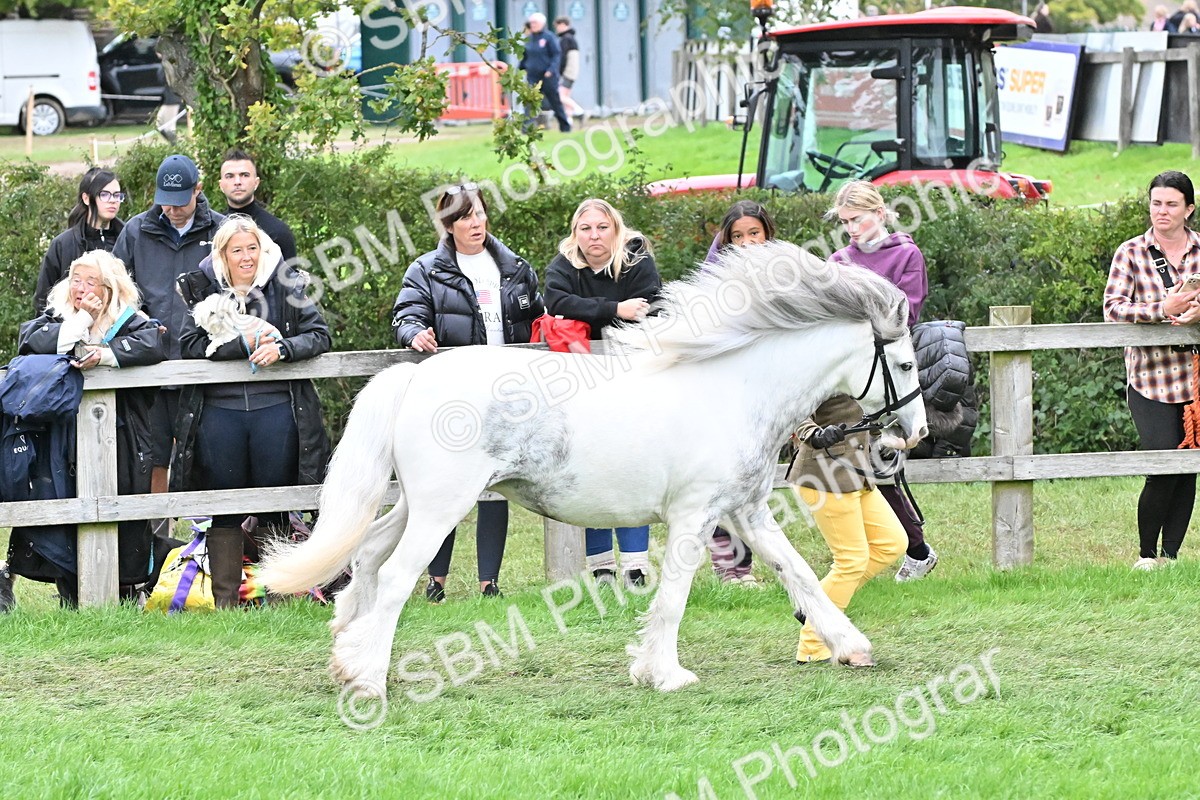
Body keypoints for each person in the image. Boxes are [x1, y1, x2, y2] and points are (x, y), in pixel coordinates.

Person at [392, 183, 545, 601]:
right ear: (448, 224)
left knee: (496, 485)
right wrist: (414, 333)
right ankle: (436, 579)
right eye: (463, 217)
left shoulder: (515, 267)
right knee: (443, 485)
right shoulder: (426, 269)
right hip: (455, 392)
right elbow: (406, 313)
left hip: (509, 390)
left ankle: (488, 581)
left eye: (478, 213)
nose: (474, 223)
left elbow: (539, 318)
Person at [175, 215, 331, 608]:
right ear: (222, 257)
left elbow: (319, 334)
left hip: (276, 408)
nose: (246, 257)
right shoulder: (200, 290)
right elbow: (189, 345)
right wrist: (240, 344)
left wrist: (283, 349)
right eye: (236, 251)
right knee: (225, 509)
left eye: (252, 249)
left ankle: (276, 597)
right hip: (220, 413)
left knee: (276, 505)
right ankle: (227, 603)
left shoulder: (287, 286)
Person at [10, 250, 166, 607]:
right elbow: (30, 341)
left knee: (123, 509)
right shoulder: (58, 317)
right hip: (63, 438)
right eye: (76, 279)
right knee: (63, 508)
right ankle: (70, 594)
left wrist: (106, 354)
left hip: (123, 437)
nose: (80, 287)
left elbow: (154, 344)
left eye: (90, 281)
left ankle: (126, 596)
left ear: (109, 287)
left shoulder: (131, 321)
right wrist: (81, 320)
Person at [545, 198, 661, 585]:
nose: (593, 236)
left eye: (601, 227)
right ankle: (601, 569)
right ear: (575, 233)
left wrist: (591, 311)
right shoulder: (565, 263)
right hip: (581, 383)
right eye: (585, 228)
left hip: (633, 379)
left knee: (632, 467)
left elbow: (650, 305)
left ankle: (636, 567)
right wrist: (616, 308)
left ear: (615, 228)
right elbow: (557, 301)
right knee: (590, 468)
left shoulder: (636, 258)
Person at [827, 181, 938, 582]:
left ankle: (914, 547)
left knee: (879, 464)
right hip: (846, 373)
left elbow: (902, 317)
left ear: (879, 213)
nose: (852, 229)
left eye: (857, 219)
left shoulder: (907, 255)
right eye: (845, 222)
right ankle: (880, 550)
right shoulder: (839, 259)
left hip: (888, 373)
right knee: (851, 462)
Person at [113, 154, 225, 497]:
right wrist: (140, 328)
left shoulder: (222, 230)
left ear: (199, 190)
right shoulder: (134, 231)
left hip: (204, 367)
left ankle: (203, 542)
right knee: (152, 459)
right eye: (165, 203)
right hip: (150, 368)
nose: (172, 210)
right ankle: (155, 542)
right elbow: (116, 294)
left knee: (209, 459)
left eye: (179, 203)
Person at [1104, 170, 1200, 570]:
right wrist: (1163, 309)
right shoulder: (1131, 252)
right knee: (1162, 465)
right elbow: (1113, 308)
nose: (1162, 211)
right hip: (1150, 377)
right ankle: (1147, 556)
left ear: (1188, 209)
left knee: (1189, 468)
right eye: (1156, 203)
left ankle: (1172, 556)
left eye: (1171, 204)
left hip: (1196, 379)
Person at [787, 397, 906, 664]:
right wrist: (813, 434)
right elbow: (794, 409)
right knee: (851, 560)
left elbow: (870, 411)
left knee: (892, 542)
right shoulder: (818, 359)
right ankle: (812, 646)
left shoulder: (864, 366)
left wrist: (882, 438)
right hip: (823, 477)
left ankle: (817, 604)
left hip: (857, 474)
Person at [702, 200, 778, 585]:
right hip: (723, 391)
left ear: (766, 233)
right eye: (738, 236)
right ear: (727, 240)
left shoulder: (783, 274)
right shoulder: (714, 278)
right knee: (719, 477)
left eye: (754, 233)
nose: (747, 242)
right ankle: (725, 566)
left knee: (750, 479)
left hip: (763, 393)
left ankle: (744, 566)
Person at [34, 168, 125, 314]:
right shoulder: (63, 244)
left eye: (117, 195)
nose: (113, 200)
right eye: (105, 194)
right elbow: (43, 300)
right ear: (86, 198)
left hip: (119, 330)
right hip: (73, 329)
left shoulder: (127, 239)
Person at [217, 149, 298, 262]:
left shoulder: (278, 232)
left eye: (244, 175)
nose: (237, 182)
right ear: (221, 185)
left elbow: (290, 278)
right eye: (230, 176)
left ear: (256, 183)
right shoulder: (213, 231)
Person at [518, 12, 571, 133]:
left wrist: (551, 70)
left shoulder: (549, 37)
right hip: (532, 76)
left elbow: (556, 55)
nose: (532, 25)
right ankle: (526, 128)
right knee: (530, 101)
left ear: (542, 23)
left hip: (548, 76)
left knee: (555, 102)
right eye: (531, 23)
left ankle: (565, 126)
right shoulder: (529, 39)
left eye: (535, 23)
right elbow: (524, 56)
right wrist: (520, 69)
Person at [554, 16, 586, 120]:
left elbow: (562, 58)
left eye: (557, 26)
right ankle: (569, 120)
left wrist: (558, 71)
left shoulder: (565, 39)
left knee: (560, 96)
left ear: (563, 25)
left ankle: (580, 111)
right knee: (566, 96)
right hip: (573, 72)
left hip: (568, 72)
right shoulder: (571, 38)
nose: (557, 29)